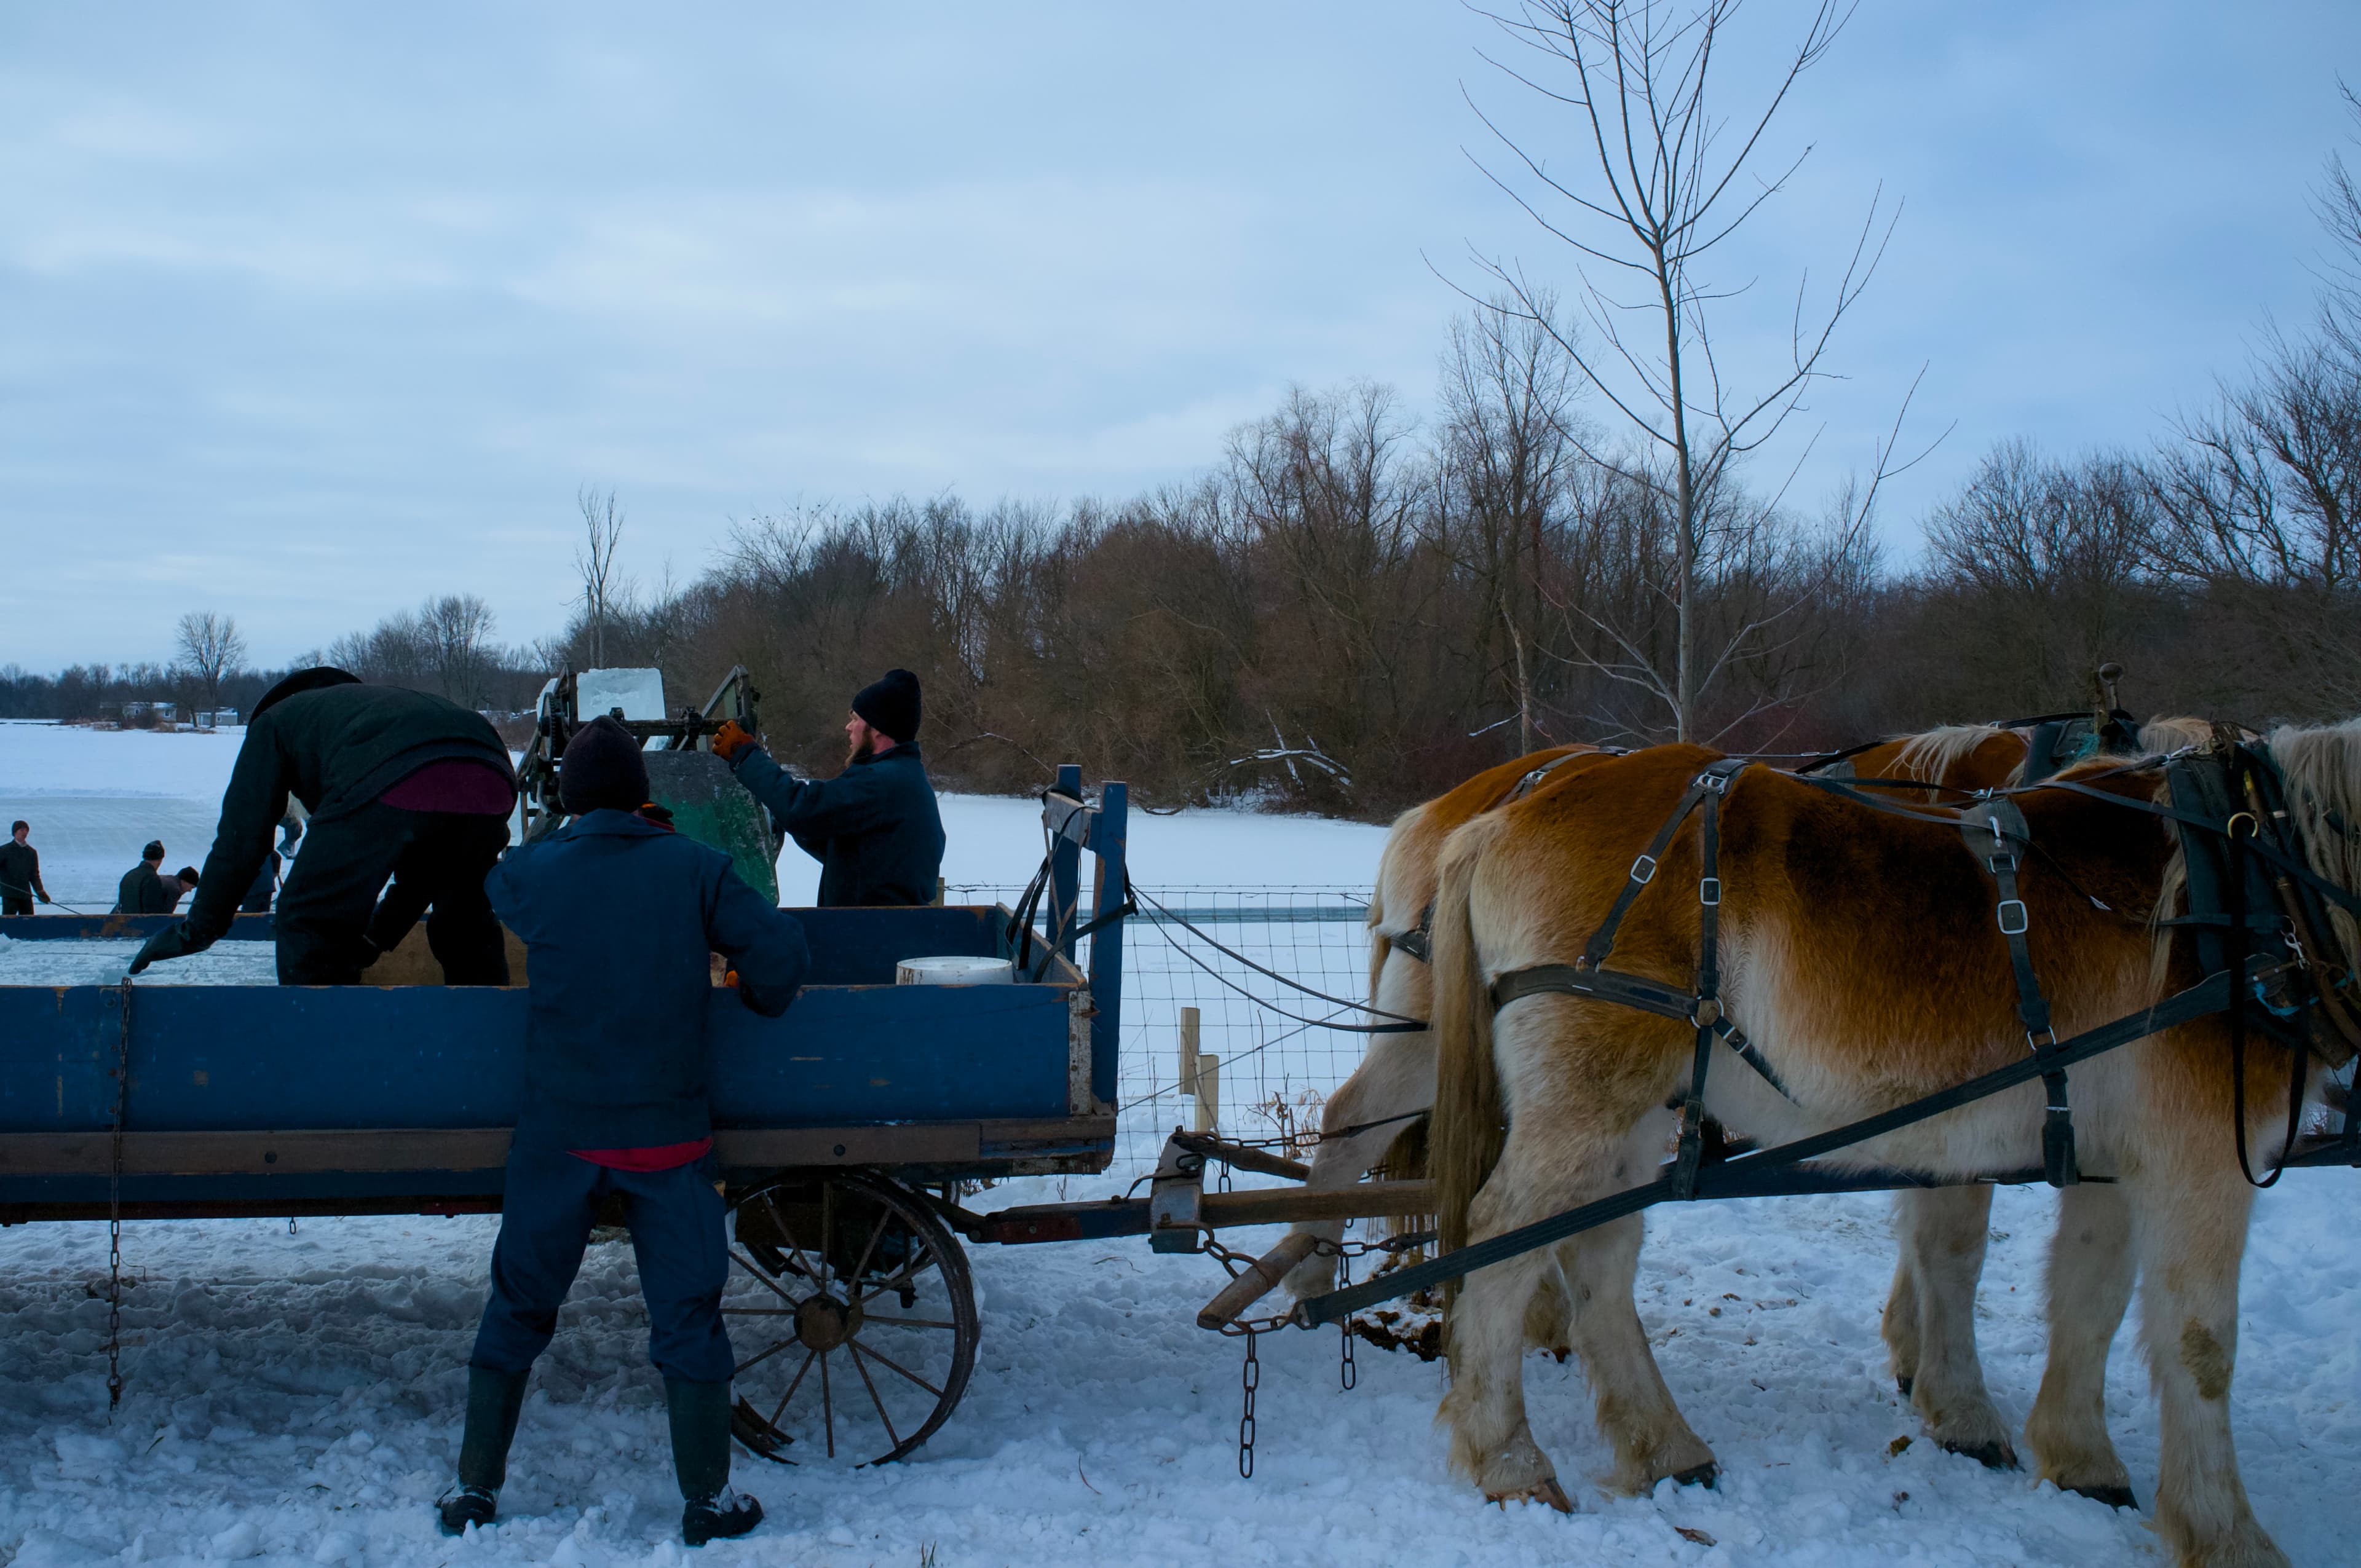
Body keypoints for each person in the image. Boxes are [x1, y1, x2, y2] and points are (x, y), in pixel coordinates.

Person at [437, 716, 809, 1546]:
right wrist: (742, 978)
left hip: (560, 1136)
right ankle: (707, 1502)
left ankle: (474, 1489)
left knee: (520, 1301)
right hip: (668, 1138)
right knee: (687, 1314)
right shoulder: (697, 868)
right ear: (645, 792)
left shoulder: (529, 872)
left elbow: (481, 892)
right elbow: (780, 966)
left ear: (566, 797)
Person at [127, 668, 518, 984]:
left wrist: (197, 930)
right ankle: (489, 1040)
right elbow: (424, 877)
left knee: (309, 919)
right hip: (492, 770)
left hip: (396, 768)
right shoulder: (367, 712)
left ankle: (328, 1058)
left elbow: (242, 839)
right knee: (465, 917)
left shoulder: (273, 724)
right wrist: (374, 937)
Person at [710, 668, 945, 906]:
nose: (848, 727)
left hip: (869, 935)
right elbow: (841, 847)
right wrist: (780, 808)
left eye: (855, 719)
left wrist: (747, 757)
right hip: (891, 932)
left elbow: (803, 809)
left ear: (878, 729)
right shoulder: (907, 781)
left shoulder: (881, 783)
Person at [1, 820, 49, 915]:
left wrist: (40, 891)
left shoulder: (31, 852)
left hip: (26, 894)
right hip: (9, 895)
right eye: (21, 830)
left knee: (29, 923)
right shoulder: (4, 850)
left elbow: (34, 875)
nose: (24, 833)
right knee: (9, 924)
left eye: (26, 830)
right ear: (15, 832)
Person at [114, 841, 175, 915]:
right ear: (160, 860)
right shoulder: (152, 879)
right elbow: (153, 912)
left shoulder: (129, 876)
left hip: (125, 923)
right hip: (141, 924)